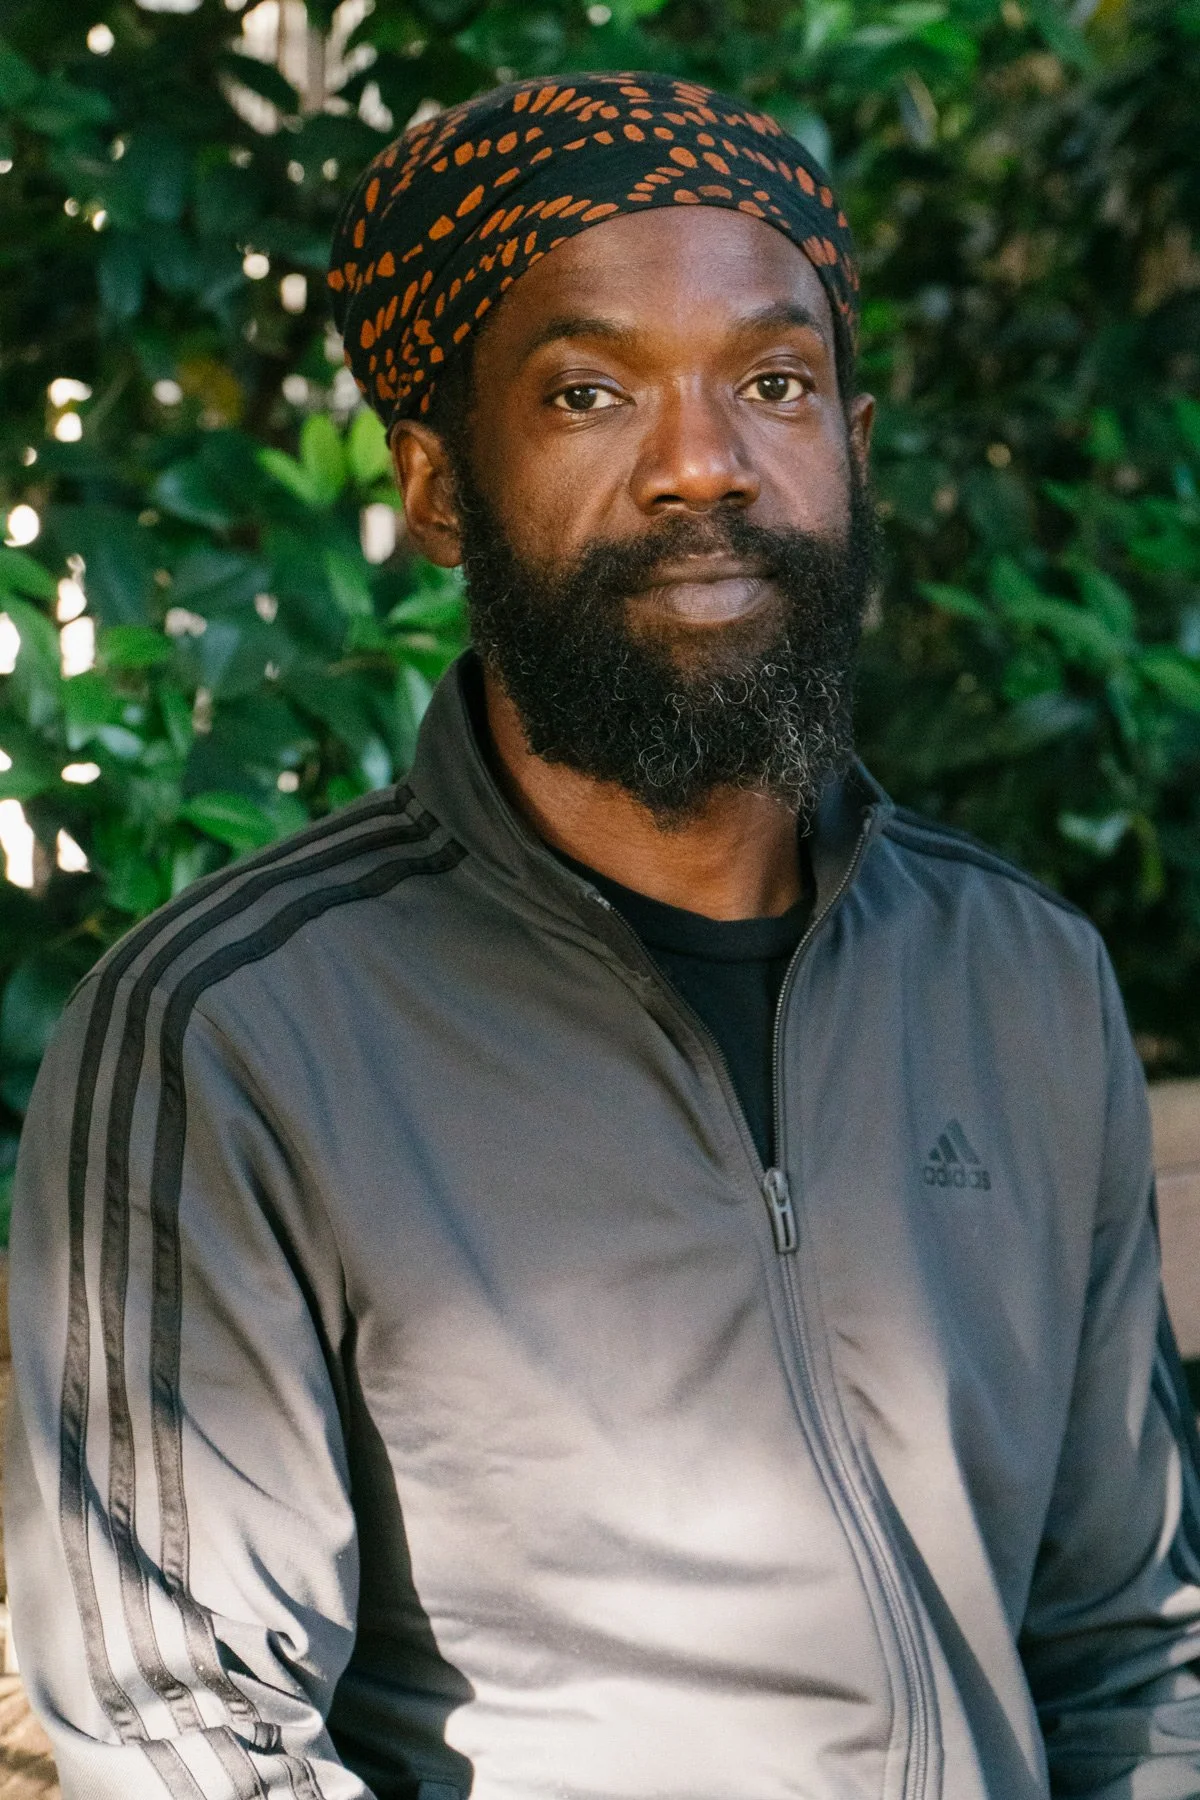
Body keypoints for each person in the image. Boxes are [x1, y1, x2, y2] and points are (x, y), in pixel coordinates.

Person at [7, 69, 1200, 1800]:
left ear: (853, 448)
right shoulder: (236, 1037)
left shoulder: (1018, 981)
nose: (704, 466)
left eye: (776, 382)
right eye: (587, 392)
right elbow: (194, 1736)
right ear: (435, 485)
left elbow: (1136, 1644)